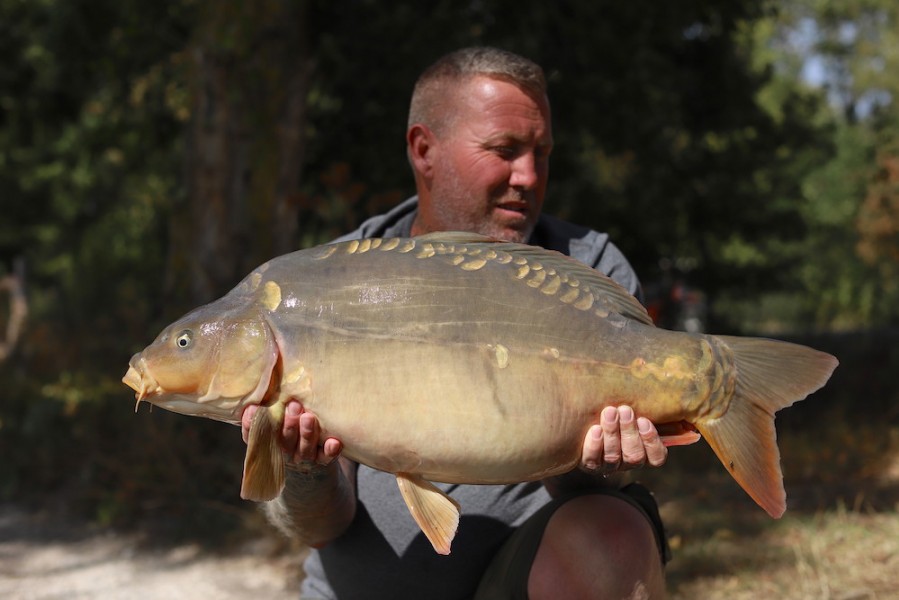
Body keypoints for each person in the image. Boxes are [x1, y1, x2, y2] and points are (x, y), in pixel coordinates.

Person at [242, 47, 670, 599]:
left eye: (542, 152)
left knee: (611, 530)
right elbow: (319, 527)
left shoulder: (590, 271)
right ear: (424, 150)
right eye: (505, 150)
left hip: (520, 583)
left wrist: (588, 464)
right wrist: (303, 468)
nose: (529, 175)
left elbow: (591, 488)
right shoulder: (323, 287)